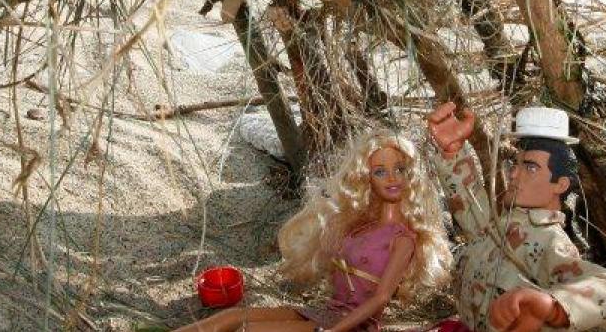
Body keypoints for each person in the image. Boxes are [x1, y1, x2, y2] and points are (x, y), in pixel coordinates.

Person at [177, 131, 454, 332]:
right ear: (366, 178)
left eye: (400, 169)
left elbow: (381, 297)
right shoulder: (360, 223)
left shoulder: (403, 239)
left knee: (247, 329)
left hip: (350, 326)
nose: (392, 177)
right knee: (232, 317)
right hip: (327, 312)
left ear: (411, 175)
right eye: (380, 172)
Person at [426, 103, 606, 332]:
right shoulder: (503, 223)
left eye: (531, 167)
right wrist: (453, 152)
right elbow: (472, 207)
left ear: (560, 185)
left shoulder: (549, 242)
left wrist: (550, 307)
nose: (514, 173)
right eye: (516, 163)